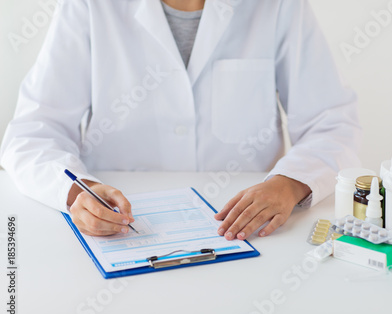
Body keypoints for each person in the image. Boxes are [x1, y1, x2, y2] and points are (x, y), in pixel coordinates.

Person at [0, 0, 361, 239]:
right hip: (122, 229)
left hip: (246, 232)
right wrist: (78, 190)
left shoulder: (278, 5)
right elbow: (33, 132)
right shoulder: (90, 6)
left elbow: (332, 123)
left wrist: (289, 184)